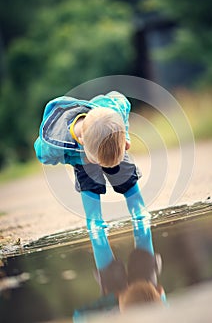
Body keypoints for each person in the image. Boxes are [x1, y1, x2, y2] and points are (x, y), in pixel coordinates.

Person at [35, 91, 166, 313]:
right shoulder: (59, 140)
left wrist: (124, 137)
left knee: (123, 169)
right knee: (90, 178)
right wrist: (68, 157)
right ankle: (94, 222)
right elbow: (42, 153)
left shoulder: (113, 110)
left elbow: (122, 100)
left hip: (110, 140)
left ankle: (139, 211)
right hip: (80, 155)